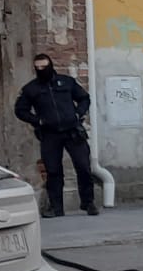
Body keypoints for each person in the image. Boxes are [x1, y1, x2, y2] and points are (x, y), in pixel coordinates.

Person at [15, 51, 97, 218]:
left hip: (73, 131)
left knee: (83, 167)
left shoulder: (66, 82)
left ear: (50, 66)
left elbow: (84, 98)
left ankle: (88, 203)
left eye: (44, 67)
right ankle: (56, 208)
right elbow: (20, 110)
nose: (41, 70)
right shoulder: (31, 89)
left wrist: (78, 114)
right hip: (49, 134)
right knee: (53, 171)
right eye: (37, 68)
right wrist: (37, 121)